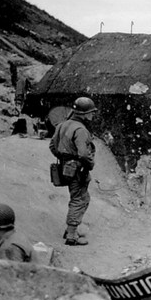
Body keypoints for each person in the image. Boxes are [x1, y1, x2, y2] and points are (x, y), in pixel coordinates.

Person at [49, 97, 97, 246]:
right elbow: (83, 154)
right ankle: (71, 235)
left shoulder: (62, 125)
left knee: (79, 197)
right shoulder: (81, 130)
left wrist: (64, 158)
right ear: (84, 114)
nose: (92, 116)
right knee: (80, 199)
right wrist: (89, 164)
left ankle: (71, 229)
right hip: (78, 169)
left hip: (65, 167)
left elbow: (52, 146)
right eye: (91, 113)